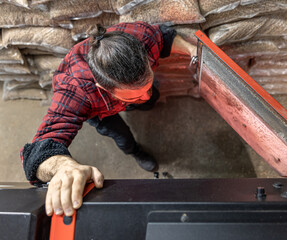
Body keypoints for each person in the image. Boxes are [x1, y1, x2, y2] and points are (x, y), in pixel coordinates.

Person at [20, 21, 196, 217]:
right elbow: (38, 152)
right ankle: (136, 152)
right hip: (99, 112)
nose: (144, 95)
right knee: (123, 137)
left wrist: (191, 49)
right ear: (103, 88)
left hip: (123, 87)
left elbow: (165, 37)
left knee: (150, 100)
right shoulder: (76, 88)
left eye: (146, 85)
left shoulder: (142, 37)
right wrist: (63, 166)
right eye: (134, 95)